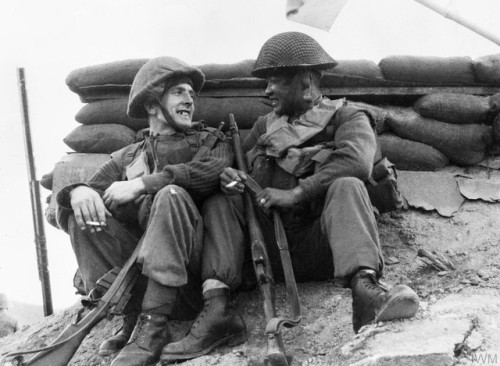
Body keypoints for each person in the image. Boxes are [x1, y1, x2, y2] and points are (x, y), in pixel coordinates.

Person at [163, 33, 419, 363]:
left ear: (307, 81)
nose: (267, 91)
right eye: (266, 83)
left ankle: (365, 291)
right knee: (218, 201)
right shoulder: (262, 127)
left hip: (322, 245)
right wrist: (231, 180)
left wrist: (296, 193)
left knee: (348, 185)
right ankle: (217, 307)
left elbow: (356, 161)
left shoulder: (348, 116)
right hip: (265, 253)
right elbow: (229, 167)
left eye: (276, 81)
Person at [56, 56, 247, 366]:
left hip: (193, 279)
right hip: (139, 277)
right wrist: (76, 191)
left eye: (191, 94)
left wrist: (144, 184)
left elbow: (213, 171)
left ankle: (153, 328)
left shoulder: (213, 141)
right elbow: (84, 193)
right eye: (178, 92)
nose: (189, 100)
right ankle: (130, 316)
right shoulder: (127, 154)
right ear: (151, 105)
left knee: (170, 195)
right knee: (82, 216)